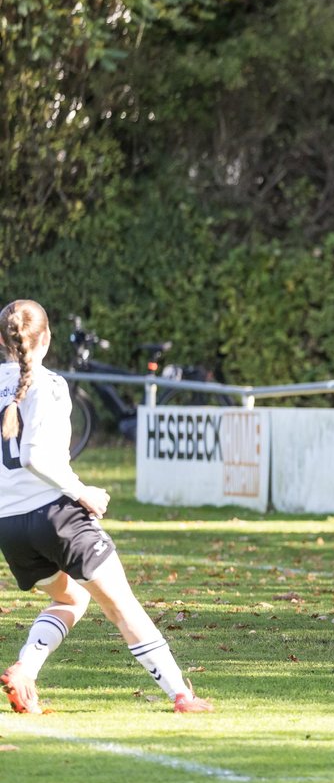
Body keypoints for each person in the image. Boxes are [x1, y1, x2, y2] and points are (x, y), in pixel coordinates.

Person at [0, 300, 212, 713]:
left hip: (9, 526)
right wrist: (82, 492)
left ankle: (25, 669)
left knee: (71, 600)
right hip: (56, 516)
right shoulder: (50, 384)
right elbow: (34, 457)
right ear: (46, 338)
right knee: (122, 607)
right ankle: (182, 696)